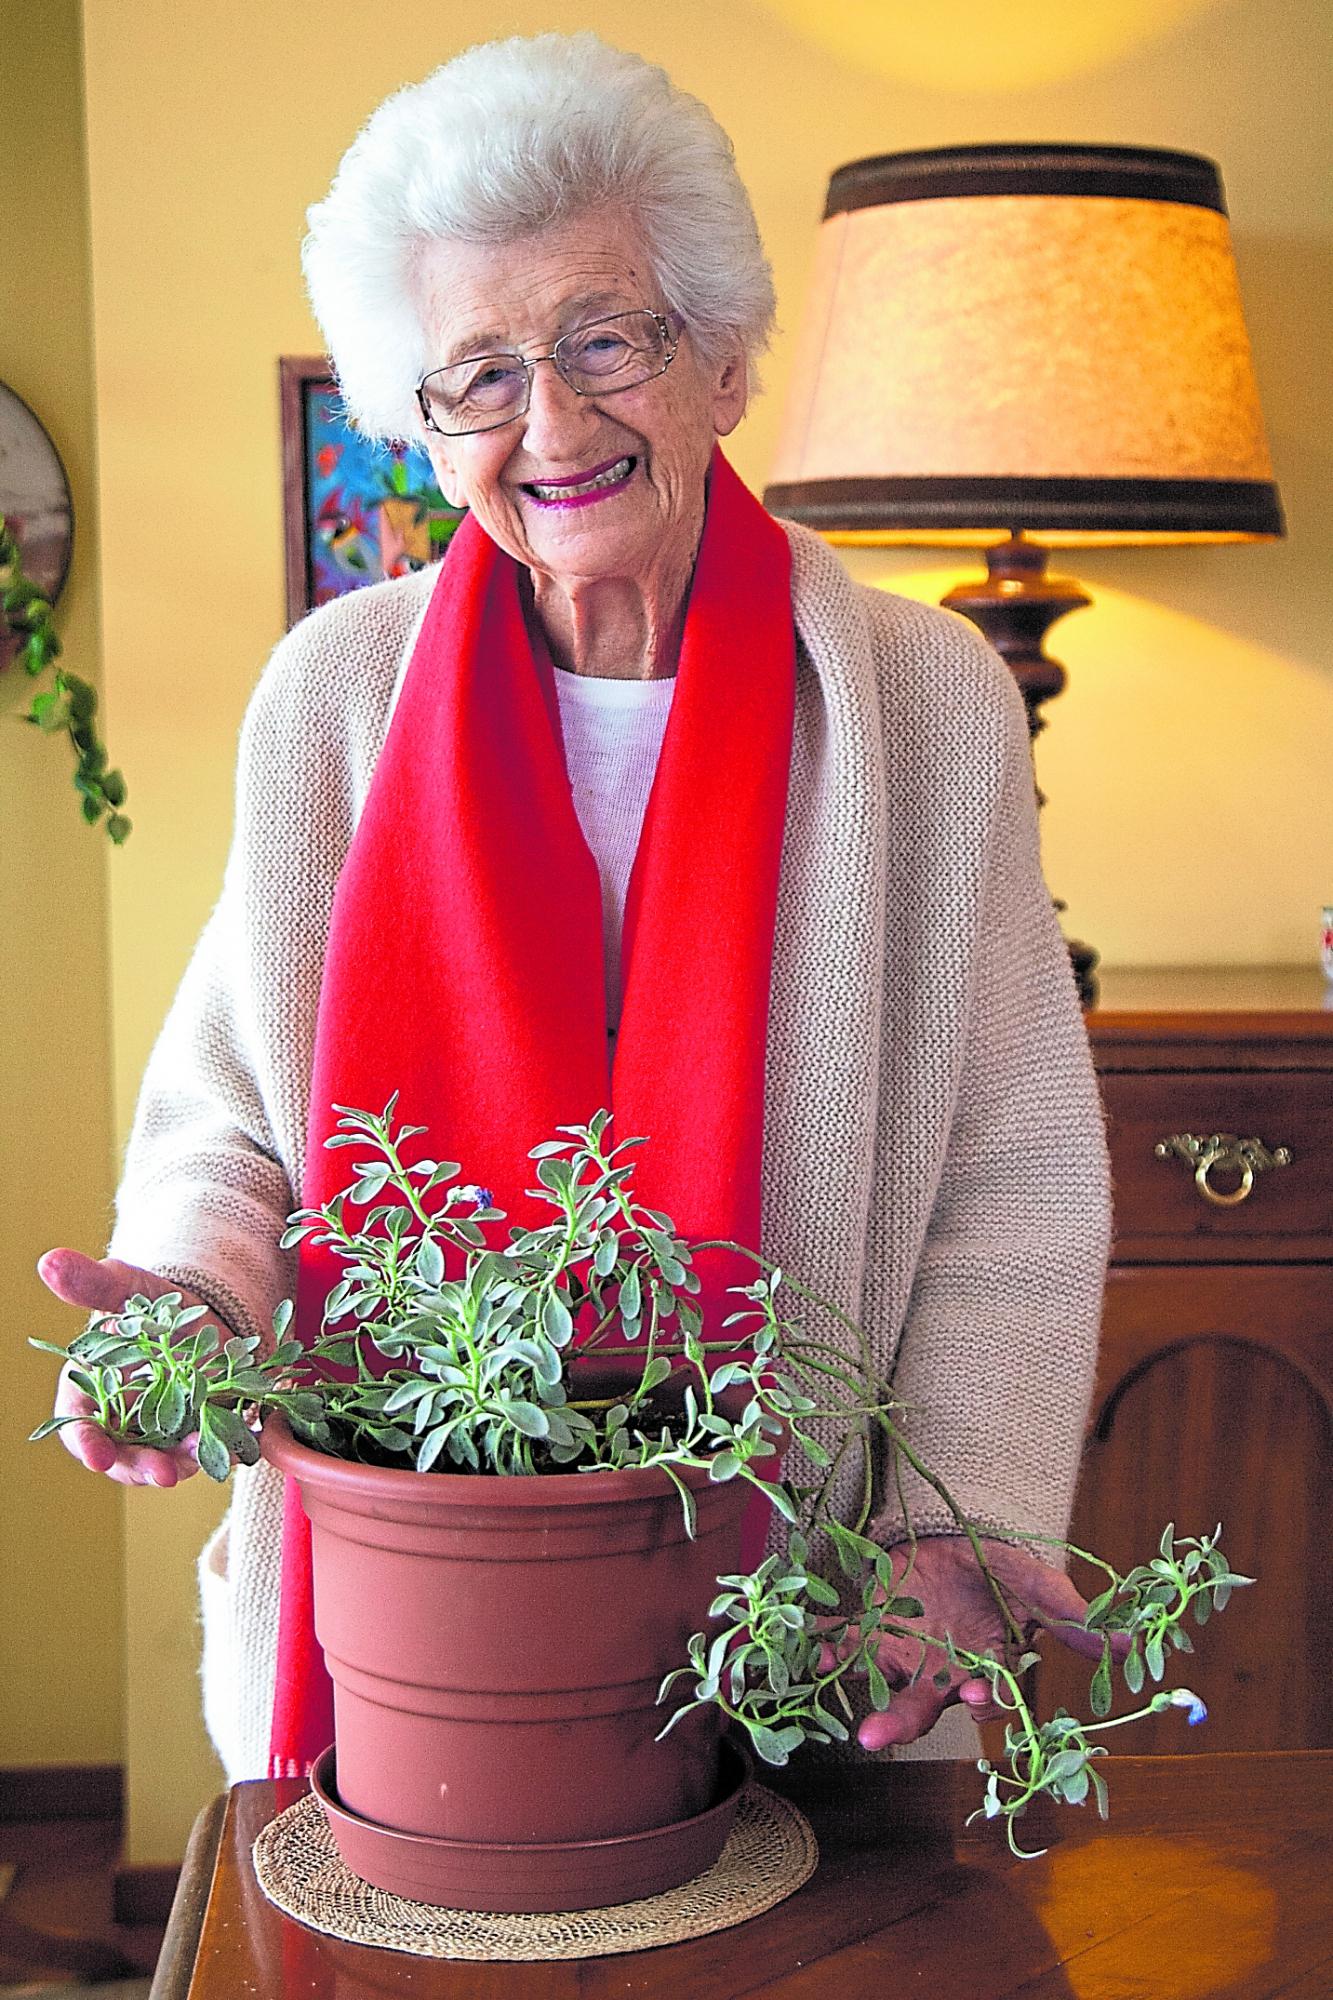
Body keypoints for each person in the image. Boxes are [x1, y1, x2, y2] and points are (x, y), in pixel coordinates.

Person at [38, 32, 1111, 1783]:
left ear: (722, 360)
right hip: (406, 1615)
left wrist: (955, 1520)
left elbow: (1011, 1171)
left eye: (607, 340)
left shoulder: (923, 701)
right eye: (477, 375)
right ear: (419, 422)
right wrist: (189, 1299)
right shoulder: (334, 699)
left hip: (814, 1613)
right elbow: (233, 1120)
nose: (549, 424)